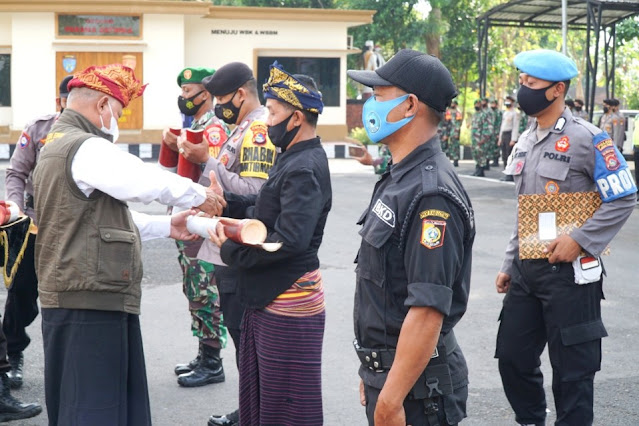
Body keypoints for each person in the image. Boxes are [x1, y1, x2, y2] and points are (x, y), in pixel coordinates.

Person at [32, 64, 225, 426]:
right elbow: (141, 181)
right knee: (95, 409)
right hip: (88, 298)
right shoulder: (83, 145)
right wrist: (201, 193)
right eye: (118, 112)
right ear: (102, 105)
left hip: (83, 292)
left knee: (93, 403)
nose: (116, 121)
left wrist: (168, 225)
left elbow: (96, 219)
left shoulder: (58, 142)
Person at [495, 49, 637, 426]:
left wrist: (580, 239)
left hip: (572, 274)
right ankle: (531, 420)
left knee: (572, 374)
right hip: (528, 269)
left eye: (531, 84)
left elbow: (623, 196)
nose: (522, 89)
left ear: (557, 89)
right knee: (512, 358)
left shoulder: (588, 138)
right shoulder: (526, 138)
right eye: (521, 81)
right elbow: (524, 208)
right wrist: (511, 262)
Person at [348, 49, 475, 426]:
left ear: (410, 106)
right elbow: (384, 290)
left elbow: (426, 310)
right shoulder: (400, 176)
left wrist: (389, 398)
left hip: (419, 395)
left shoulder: (430, 194)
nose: (370, 103)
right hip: (392, 378)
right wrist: (371, 373)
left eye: (379, 94)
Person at [208, 62, 331, 425]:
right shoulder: (292, 157)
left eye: (273, 112)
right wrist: (227, 202)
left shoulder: (305, 167)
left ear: (296, 119)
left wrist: (230, 249)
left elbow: (288, 241)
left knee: (286, 406)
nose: (267, 120)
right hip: (270, 296)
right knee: (266, 398)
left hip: (288, 301)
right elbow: (267, 207)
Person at [178, 61, 277, 426]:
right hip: (227, 248)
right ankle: (250, 409)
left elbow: (255, 192)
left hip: (241, 248)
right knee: (241, 340)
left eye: (221, 98)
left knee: (246, 340)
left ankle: (255, 412)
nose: (218, 105)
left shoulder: (258, 130)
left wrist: (209, 163)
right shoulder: (240, 128)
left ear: (240, 94)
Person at [3, 75, 72, 389]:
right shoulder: (38, 129)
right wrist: (16, 208)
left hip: (71, 229)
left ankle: (71, 360)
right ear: (60, 102)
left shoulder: (95, 134)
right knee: (21, 295)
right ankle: (12, 356)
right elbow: (16, 173)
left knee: (70, 295)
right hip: (32, 225)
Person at [162, 67, 230, 388]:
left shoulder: (213, 129)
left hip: (202, 221)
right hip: (186, 217)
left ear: (206, 94)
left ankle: (213, 360)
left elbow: (215, 174)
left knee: (205, 288)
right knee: (194, 287)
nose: (184, 98)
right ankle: (203, 353)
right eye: (183, 92)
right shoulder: (192, 126)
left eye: (189, 92)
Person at [498, 96, 519, 182]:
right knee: (504, 155)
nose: (507, 102)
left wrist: (513, 139)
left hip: (510, 135)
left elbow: (515, 126)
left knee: (509, 155)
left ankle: (510, 174)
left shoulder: (515, 113)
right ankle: (506, 173)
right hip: (504, 135)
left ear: (512, 102)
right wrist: (500, 138)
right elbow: (502, 127)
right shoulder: (505, 113)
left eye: (508, 101)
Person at [471, 99, 492, 176]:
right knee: (475, 154)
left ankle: (481, 170)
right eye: (475, 104)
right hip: (474, 139)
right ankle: (477, 168)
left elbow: (488, 127)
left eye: (478, 104)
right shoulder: (475, 114)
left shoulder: (485, 114)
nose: (476, 105)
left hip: (481, 138)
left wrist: (484, 138)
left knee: (481, 154)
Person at [447, 99, 463, 167]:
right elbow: (447, 121)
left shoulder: (458, 112)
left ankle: (456, 160)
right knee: (450, 146)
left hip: (455, 131)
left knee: (455, 146)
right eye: (452, 103)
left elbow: (458, 124)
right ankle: (452, 158)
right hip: (450, 131)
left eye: (454, 104)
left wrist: (456, 133)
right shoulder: (448, 112)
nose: (452, 105)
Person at [490, 99, 503, 166]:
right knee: (492, 146)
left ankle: (496, 161)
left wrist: (498, 133)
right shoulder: (491, 112)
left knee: (496, 147)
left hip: (496, 132)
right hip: (492, 132)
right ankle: (493, 160)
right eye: (491, 104)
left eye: (493, 104)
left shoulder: (498, 113)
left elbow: (499, 123)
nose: (492, 105)